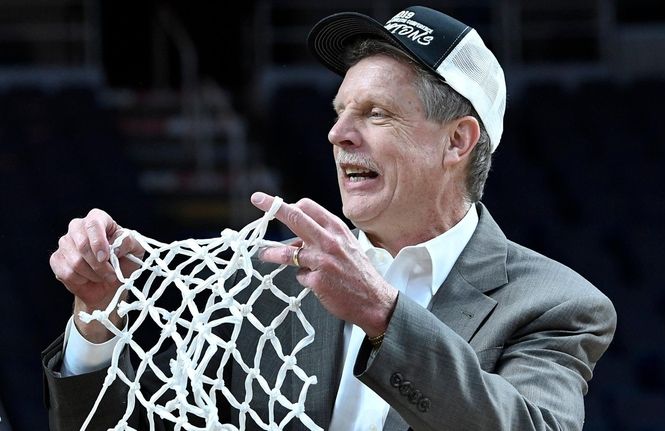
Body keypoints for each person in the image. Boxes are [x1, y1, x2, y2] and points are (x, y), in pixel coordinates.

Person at [43, 6, 616, 431]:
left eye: (376, 113)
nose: (338, 134)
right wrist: (96, 325)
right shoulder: (269, 283)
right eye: (340, 111)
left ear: (457, 142)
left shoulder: (554, 303)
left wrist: (382, 314)